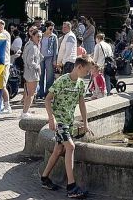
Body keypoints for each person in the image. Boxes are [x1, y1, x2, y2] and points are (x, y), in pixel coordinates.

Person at [40, 56, 91, 199]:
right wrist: (52, 118)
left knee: (58, 150)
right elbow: (48, 99)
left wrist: (85, 123)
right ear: (79, 67)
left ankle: (44, 178)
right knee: (71, 147)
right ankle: (71, 187)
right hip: (60, 122)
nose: (87, 74)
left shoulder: (81, 84)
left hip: (68, 122)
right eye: (86, 70)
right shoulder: (62, 80)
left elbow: (82, 104)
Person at [22, 28, 44, 117]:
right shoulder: (33, 47)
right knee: (31, 93)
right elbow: (29, 61)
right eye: (38, 36)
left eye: (41, 37)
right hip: (32, 72)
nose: (39, 38)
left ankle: (25, 111)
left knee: (29, 93)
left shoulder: (30, 44)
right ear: (33, 36)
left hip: (28, 72)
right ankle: (25, 112)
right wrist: (37, 67)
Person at [39, 23, 59, 98]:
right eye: (50, 29)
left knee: (49, 76)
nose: (51, 30)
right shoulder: (41, 35)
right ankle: (40, 92)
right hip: (41, 57)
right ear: (46, 28)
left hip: (49, 57)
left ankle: (48, 93)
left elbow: (55, 49)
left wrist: (55, 60)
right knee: (41, 75)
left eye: (52, 29)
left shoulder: (54, 36)